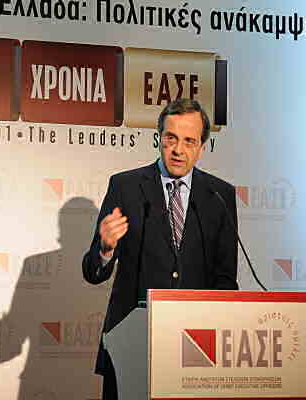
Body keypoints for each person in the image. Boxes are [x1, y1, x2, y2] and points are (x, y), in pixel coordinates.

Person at [82, 98, 238, 400]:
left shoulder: (219, 195)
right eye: (171, 138)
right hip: (132, 344)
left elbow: (225, 280)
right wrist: (105, 249)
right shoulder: (126, 187)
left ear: (201, 147)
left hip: (195, 349)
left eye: (190, 141)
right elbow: (93, 272)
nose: (179, 150)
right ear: (158, 139)